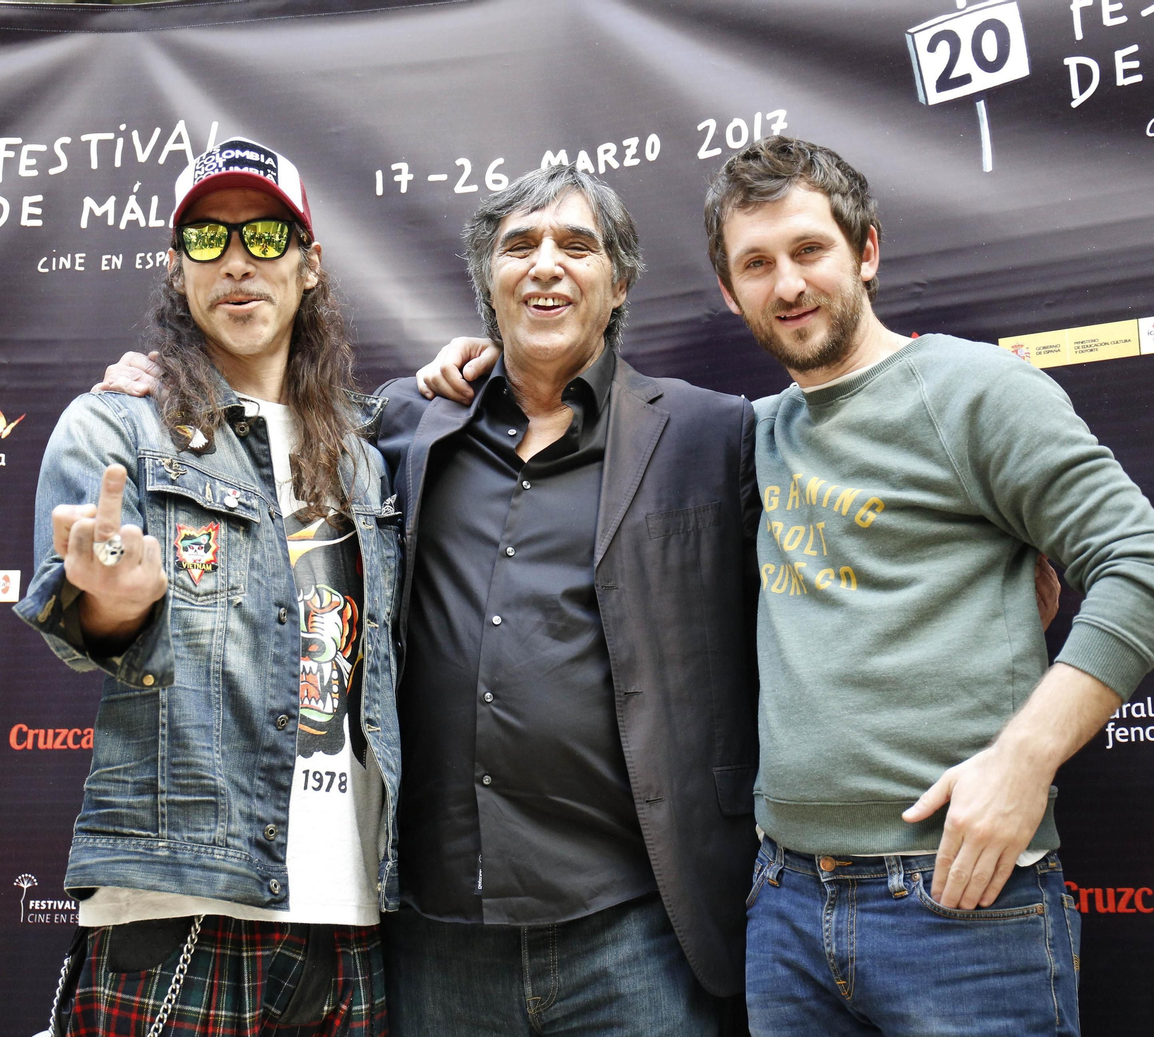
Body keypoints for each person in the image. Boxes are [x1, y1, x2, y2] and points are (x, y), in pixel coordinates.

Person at [418, 136, 1154, 1036]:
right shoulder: (740, 437)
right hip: (783, 906)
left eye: (808, 251)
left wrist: (1026, 760)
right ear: (727, 290)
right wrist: (493, 359)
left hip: (959, 898)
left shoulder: (976, 388)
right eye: (756, 263)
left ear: (865, 253)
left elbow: (1147, 561)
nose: (787, 285)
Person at [103, 164, 764, 1035]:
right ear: (487, 282)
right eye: (519, 246)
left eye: (576, 245)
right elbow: (268, 423)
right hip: (438, 939)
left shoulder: (716, 432)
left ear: (621, 281)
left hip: (636, 928)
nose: (546, 266)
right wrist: (167, 384)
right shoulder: (404, 427)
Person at [15, 137, 402, 1037]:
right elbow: (88, 618)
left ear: (311, 267)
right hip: (179, 904)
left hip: (353, 918)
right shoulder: (116, 426)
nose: (237, 261)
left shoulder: (364, 460)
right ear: (176, 269)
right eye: (208, 238)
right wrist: (118, 597)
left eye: (266, 237)